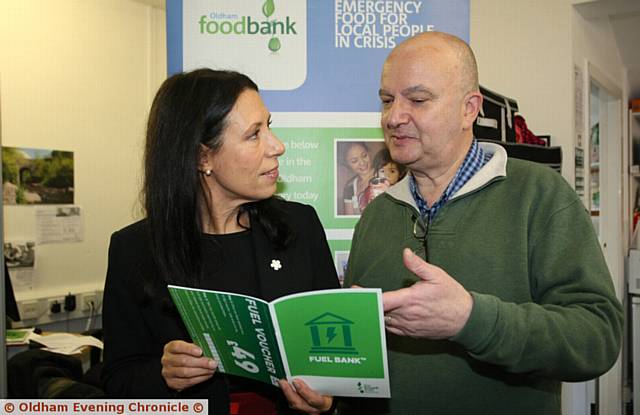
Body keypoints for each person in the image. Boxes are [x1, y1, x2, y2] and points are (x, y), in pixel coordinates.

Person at [341, 32, 623, 415]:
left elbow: (597, 337)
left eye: (418, 100)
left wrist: (471, 319)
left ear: (468, 108)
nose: (393, 117)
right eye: (388, 100)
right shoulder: (376, 213)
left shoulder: (539, 195)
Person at [102, 69, 338, 415]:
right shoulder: (135, 250)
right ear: (203, 158)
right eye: (254, 135)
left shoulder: (300, 226)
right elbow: (118, 380)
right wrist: (164, 374)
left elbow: (331, 361)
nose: (277, 146)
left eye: (269, 126)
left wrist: (328, 400)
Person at [341, 142, 375, 215]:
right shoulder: (349, 187)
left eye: (364, 155)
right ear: (347, 165)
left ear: (369, 153)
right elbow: (348, 219)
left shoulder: (384, 176)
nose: (362, 163)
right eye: (354, 161)